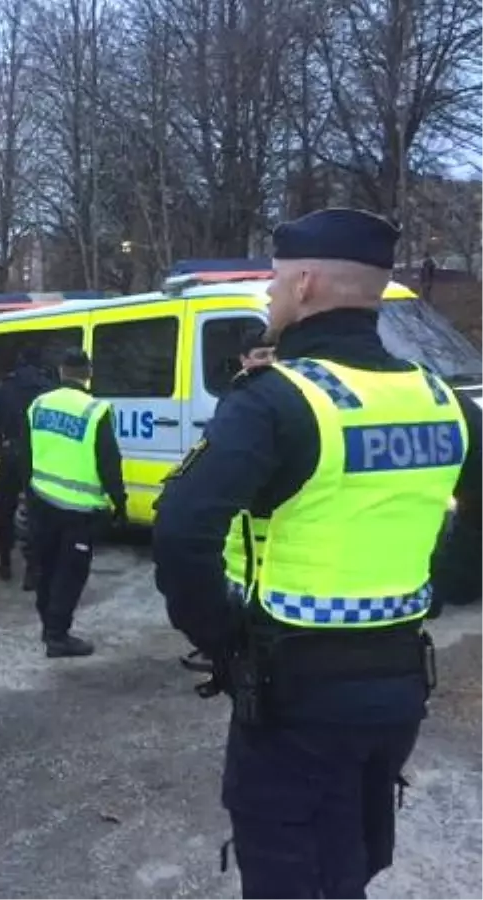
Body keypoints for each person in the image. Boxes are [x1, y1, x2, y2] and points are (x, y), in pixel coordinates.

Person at [152, 208, 483, 899]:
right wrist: (438, 584)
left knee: (284, 870)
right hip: (396, 686)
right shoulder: (441, 399)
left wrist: (223, 638)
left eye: (272, 283)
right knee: (346, 861)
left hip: (294, 691)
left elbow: (182, 528)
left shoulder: (276, 401)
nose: (269, 298)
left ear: (304, 285)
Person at [25, 349, 126, 658]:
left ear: (60, 370)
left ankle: (48, 626)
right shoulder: (95, 410)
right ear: (89, 372)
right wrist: (119, 502)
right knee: (69, 575)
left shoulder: (38, 405)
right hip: (78, 511)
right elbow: (109, 461)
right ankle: (57, 636)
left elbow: (26, 450)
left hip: (42, 500)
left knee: (47, 567)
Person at [0, 347, 54, 583]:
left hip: (11, 455)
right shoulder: (49, 389)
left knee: (5, 509)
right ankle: (34, 566)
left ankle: (4, 559)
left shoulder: (5, 388)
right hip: (40, 456)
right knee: (38, 511)